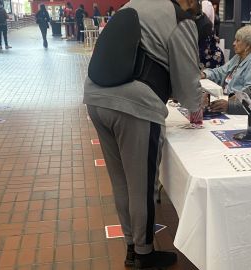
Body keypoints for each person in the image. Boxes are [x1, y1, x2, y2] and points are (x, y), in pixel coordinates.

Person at [83, 0, 203, 268]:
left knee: (121, 181)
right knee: (142, 185)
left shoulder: (132, 5)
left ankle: (131, 247)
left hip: (95, 97)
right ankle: (145, 254)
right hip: (134, 104)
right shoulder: (179, 18)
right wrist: (197, 109)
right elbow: (187, 81)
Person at [201, 25, 251, 94]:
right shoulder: (238, 57)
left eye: (238, 41)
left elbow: (249, 93)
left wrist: (228, 102)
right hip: (225, 97)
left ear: (248, 45)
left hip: (234, 102)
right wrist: (205, 74)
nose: (234, 43)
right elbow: (221, 72)